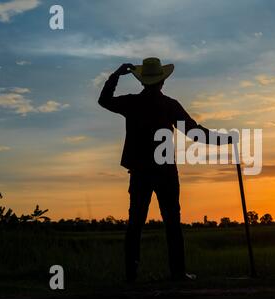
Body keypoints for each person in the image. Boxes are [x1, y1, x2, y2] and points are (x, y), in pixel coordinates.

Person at [98, 57, 236, 283]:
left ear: (143, 82)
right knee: (172, 223)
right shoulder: (169, 105)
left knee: (136, 223)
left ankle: (131, 276)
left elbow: (104, 100)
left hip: (141, 172)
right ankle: (178, 273)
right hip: (164, 173)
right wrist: (226, 139)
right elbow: (195, 133)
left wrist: (115, 75)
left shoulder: (132, 103)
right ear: (162, 82)